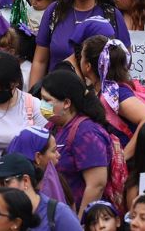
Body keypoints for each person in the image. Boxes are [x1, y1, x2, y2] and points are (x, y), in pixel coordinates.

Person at [31, 0, 130, 86]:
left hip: (97, 101)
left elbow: (124, 63)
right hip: (54, 97)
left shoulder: (112, 15)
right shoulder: (55, 11)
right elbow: (40, 61)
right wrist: (32, 100)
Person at [40, 70, 114, 217]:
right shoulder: (52, 125)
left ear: (66, 103)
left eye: (46, 100)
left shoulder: (87, 134)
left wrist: (79, 224)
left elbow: (96, 185)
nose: (42, 104)